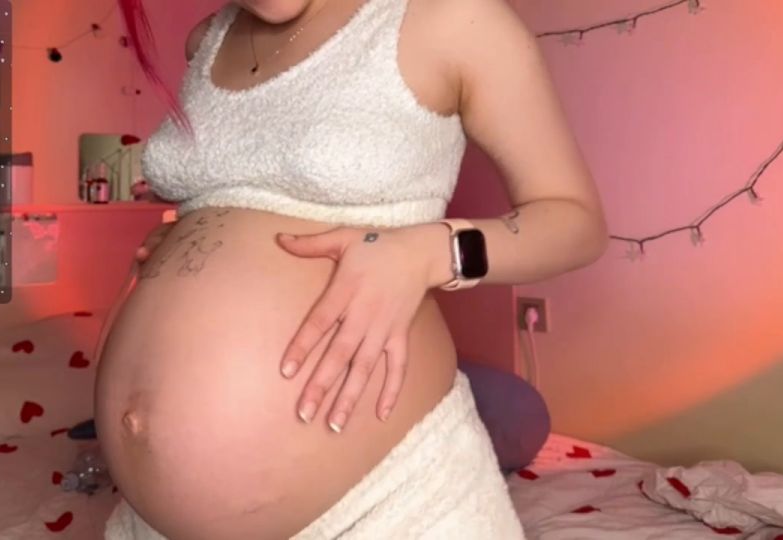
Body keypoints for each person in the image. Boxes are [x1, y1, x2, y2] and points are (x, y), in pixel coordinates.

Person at [95, 0, 609, 538]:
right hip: (152, 524)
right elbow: (231, 195)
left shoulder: (448, 18)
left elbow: (574, 222)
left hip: (389, 505)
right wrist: (187, 244)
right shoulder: (207, 41)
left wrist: (427, 252)